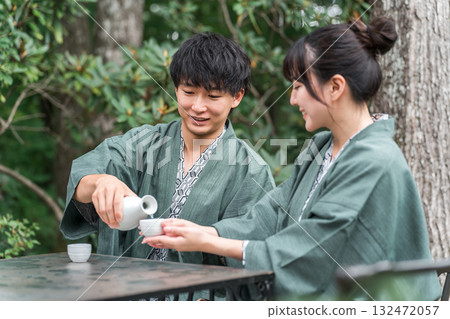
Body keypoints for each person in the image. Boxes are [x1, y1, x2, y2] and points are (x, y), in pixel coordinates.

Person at [142, 18, 442, 300]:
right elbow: (270, 214)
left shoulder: (374, 159)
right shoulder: (322, 147)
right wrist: (205, 231)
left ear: (335, 87)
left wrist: (209, 242)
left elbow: (314, 250)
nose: (293, 98)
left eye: (298, 86)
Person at [60, 33, 275, 268]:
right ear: (175, 89)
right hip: (125, 292)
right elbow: (84, 176)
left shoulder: (252, 171)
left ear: (237, 97)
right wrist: (100, 182)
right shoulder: (145, 142)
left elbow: (255, 246)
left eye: (213, 96)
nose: (198, 107)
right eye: (189, 92)